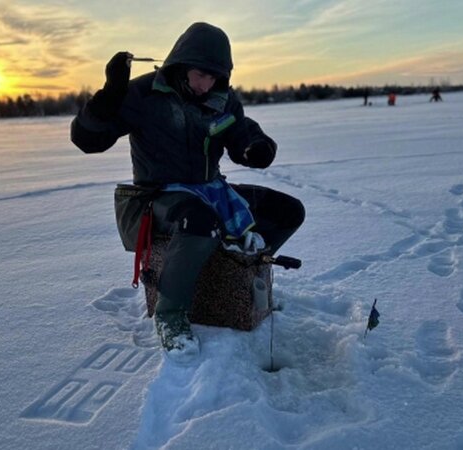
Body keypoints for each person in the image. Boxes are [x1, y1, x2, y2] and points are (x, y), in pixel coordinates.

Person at [71, 22, 304, 359]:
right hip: (155, 197)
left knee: (287, 211)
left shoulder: (223, 100)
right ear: (180, 63)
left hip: (211, 190)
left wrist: (257, 146)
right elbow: (87, 141)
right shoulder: (143, 94)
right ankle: (169, 316)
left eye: (213, 77)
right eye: (199, 75)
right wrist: (107, 99)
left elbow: (242, 133)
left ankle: (241, 275)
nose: (204, 84)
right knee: (199, 222)